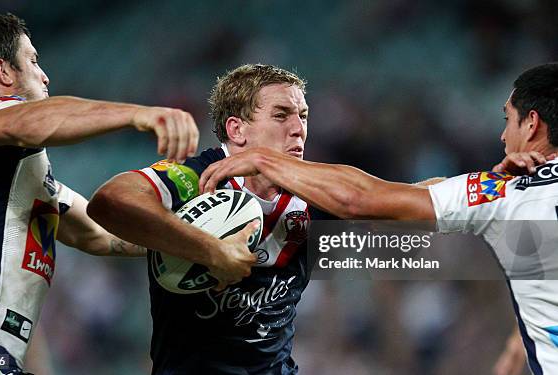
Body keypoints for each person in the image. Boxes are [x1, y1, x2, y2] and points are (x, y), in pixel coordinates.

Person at [199, 62, 558, 374]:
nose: (502, 134)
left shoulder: (505, 192)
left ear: (531, 124)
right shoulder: (507, 186)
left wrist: (266, 161)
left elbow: (363, 203)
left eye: (508, 120)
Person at [0, 8, 204, 374]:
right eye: (33, 61)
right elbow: (35, 120)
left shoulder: (8, 180)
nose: (44, 74)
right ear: (2, 72)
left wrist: (197, 238)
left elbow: (100, 235)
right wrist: (138, 115)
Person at [88, 64, 312, 374]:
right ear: (237, 130)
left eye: (302, 116)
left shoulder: (315, 193)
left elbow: (387, 249)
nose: (298, 128)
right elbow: (109, 200)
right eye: (281, 115)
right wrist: (210, 250)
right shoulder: (198, 176)